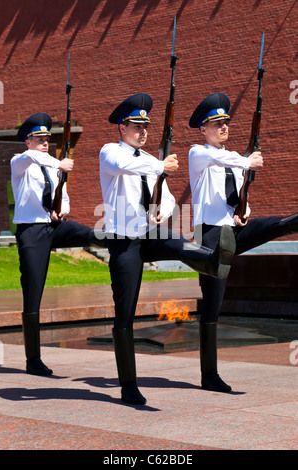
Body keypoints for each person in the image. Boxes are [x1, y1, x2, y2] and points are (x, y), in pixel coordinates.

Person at [99, 93, 237, 405]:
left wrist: (165, 209)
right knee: (125, 312)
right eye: (136, 126)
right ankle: (128, 384)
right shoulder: (110, 152)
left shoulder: (151, 162)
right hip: (123, 241)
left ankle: (214, 261)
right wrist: (160, 164)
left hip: (148, 232)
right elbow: (125, 165)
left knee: (180, 243)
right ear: (122, 128)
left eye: (145, 126)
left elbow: (169, 197)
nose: (142, 131)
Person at [188, 92, 298, 393]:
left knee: (275, 225)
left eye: (225, 122)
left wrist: (243, 212)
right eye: (216, 123)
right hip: (209, 236)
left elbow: (236, 201)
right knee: (212, 306)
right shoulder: (198, 154)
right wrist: (247, 160)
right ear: (203, 129)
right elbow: (219, 157)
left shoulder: (235, 162)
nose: (223, 127)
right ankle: (209, 374)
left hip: (231, 230)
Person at [11, 113, 105, 376]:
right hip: (31, 231)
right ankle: (33, 359)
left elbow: (62, 195)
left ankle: (126, 243)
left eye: (46, 139)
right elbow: (34, 158)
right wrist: (60, 162)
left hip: (54, 226)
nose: (44, 143)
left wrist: (60, 211)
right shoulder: (20, 161)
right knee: (33, 291)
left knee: (91, 233)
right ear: (27, 141)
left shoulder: (53, 166)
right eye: (39, 139)